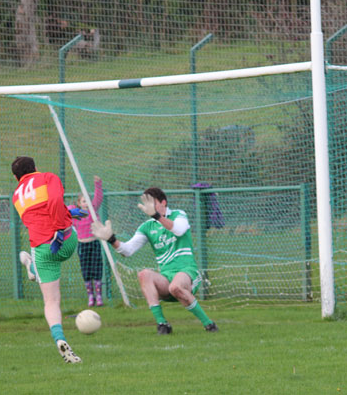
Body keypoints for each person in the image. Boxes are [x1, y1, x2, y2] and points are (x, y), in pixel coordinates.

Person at [91, 187, 218, 335]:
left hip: (187, 272)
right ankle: (162, 324)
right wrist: (111, 239)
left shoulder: (179, 214)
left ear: (163, 203)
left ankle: (209, 324)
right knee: (144, 274)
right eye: (147, 204)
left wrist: (157, 216)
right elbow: (128, 250)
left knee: (175, 287)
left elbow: (179, 230)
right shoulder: (147, 227)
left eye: (152, 203)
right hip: (166, 277)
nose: (148, 207)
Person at [11, 156, 84, 364]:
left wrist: (65, 214)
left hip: (42, 249)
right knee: (71, 229)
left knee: (51, 301)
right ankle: (32, 267)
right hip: (66, 241)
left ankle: (59, 338)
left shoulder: (17, 195)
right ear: (35, 167)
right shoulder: (47, 177)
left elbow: (37, 215)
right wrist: (62, 224)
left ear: (16, 178)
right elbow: (53, 202)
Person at [68, 175, 104, 307]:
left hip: (94, 243)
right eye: (83, 201)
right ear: (79, 204)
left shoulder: (93, 210)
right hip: (82, 245)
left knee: (97, 268)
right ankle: (90, 296)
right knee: (86, 270)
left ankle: (99, 296)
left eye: (88, 201)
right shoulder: (76, 215)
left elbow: (98, 197)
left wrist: (97, 184)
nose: (86, 203)